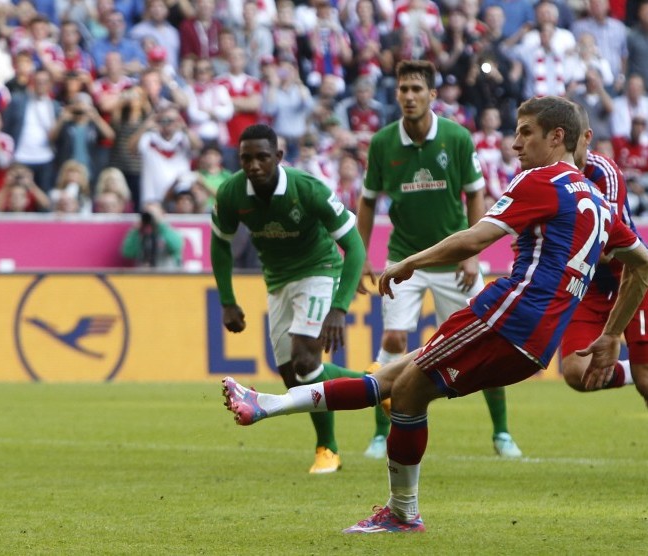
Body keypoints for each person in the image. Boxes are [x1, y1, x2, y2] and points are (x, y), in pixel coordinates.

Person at [223, 95, 648, 532]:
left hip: (506, 317)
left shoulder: (541, 181)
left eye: (526, 132)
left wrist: (410, 261)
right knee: (391, 379)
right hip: (534, 337)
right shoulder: (596, 201)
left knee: (405, 393)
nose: (515, 143)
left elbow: (473, 240)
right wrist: (612, 334)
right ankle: (267, 405)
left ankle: (402, 512)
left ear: (557, 137)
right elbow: (643, 266)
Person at [356, 60, 522, 460]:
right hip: (404, 261)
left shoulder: (456, 137)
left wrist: (472, 254)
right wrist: (362, 257)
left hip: (454, 263)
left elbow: (475, 194)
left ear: (432, 95)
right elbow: (366, 202)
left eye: (417, 89)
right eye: (403, 90)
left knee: (487, 343)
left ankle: (502, 433)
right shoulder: (381, 143)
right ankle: (381, 434)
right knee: (393, 340)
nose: (409, 96)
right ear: (396, 94)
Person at [211, 123, 370, 474]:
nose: (253, 165)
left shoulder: (307, 189)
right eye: (246, 158)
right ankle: (377, 384)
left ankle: (327, 448)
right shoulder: (231, 193)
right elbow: (220, 244)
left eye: (262, 157)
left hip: (319, 269)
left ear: (278, 157)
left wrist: (340, 307)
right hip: (278, 281)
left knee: (304, 359)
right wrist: (227, 300)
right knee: (292, 377)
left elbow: (353, 243)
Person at [561, 104, 648, 404]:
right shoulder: (544, 176)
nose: (566, 151)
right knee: (576, 372)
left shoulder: (604, 173)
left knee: (646, 382)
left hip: (629, 276)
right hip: (588, 288)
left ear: (586, 138)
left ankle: (640, 373)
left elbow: (604, 248)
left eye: (573, 142)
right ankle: (629, 371)